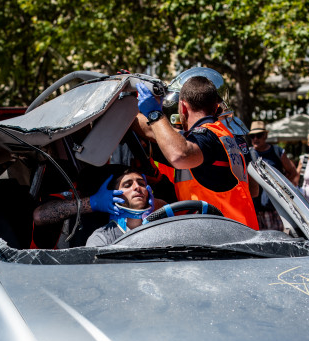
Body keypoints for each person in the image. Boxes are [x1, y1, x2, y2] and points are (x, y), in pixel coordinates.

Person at [132, 77, 259, 230]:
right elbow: (154, 131)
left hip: (222, 240)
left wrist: (154, 113)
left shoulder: (207, 137)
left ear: (183, 107)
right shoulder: (222, 136)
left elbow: (179, 155)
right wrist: (129, 102)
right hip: (237, 236)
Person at [85, 169, 168, 246]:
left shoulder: (162, 230)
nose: (137, 187)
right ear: (113, 196)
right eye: (127, 185)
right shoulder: (102, 237)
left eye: (142, 184)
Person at [248, 121, 297, 231]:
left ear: (265, 136)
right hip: (254, 206)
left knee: (276, 239)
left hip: (274, 206)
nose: (255, 139)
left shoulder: (277, 151)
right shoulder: (248, 153)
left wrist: (279, 187)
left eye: (259, 135)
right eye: (252, 136)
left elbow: (293, 172)